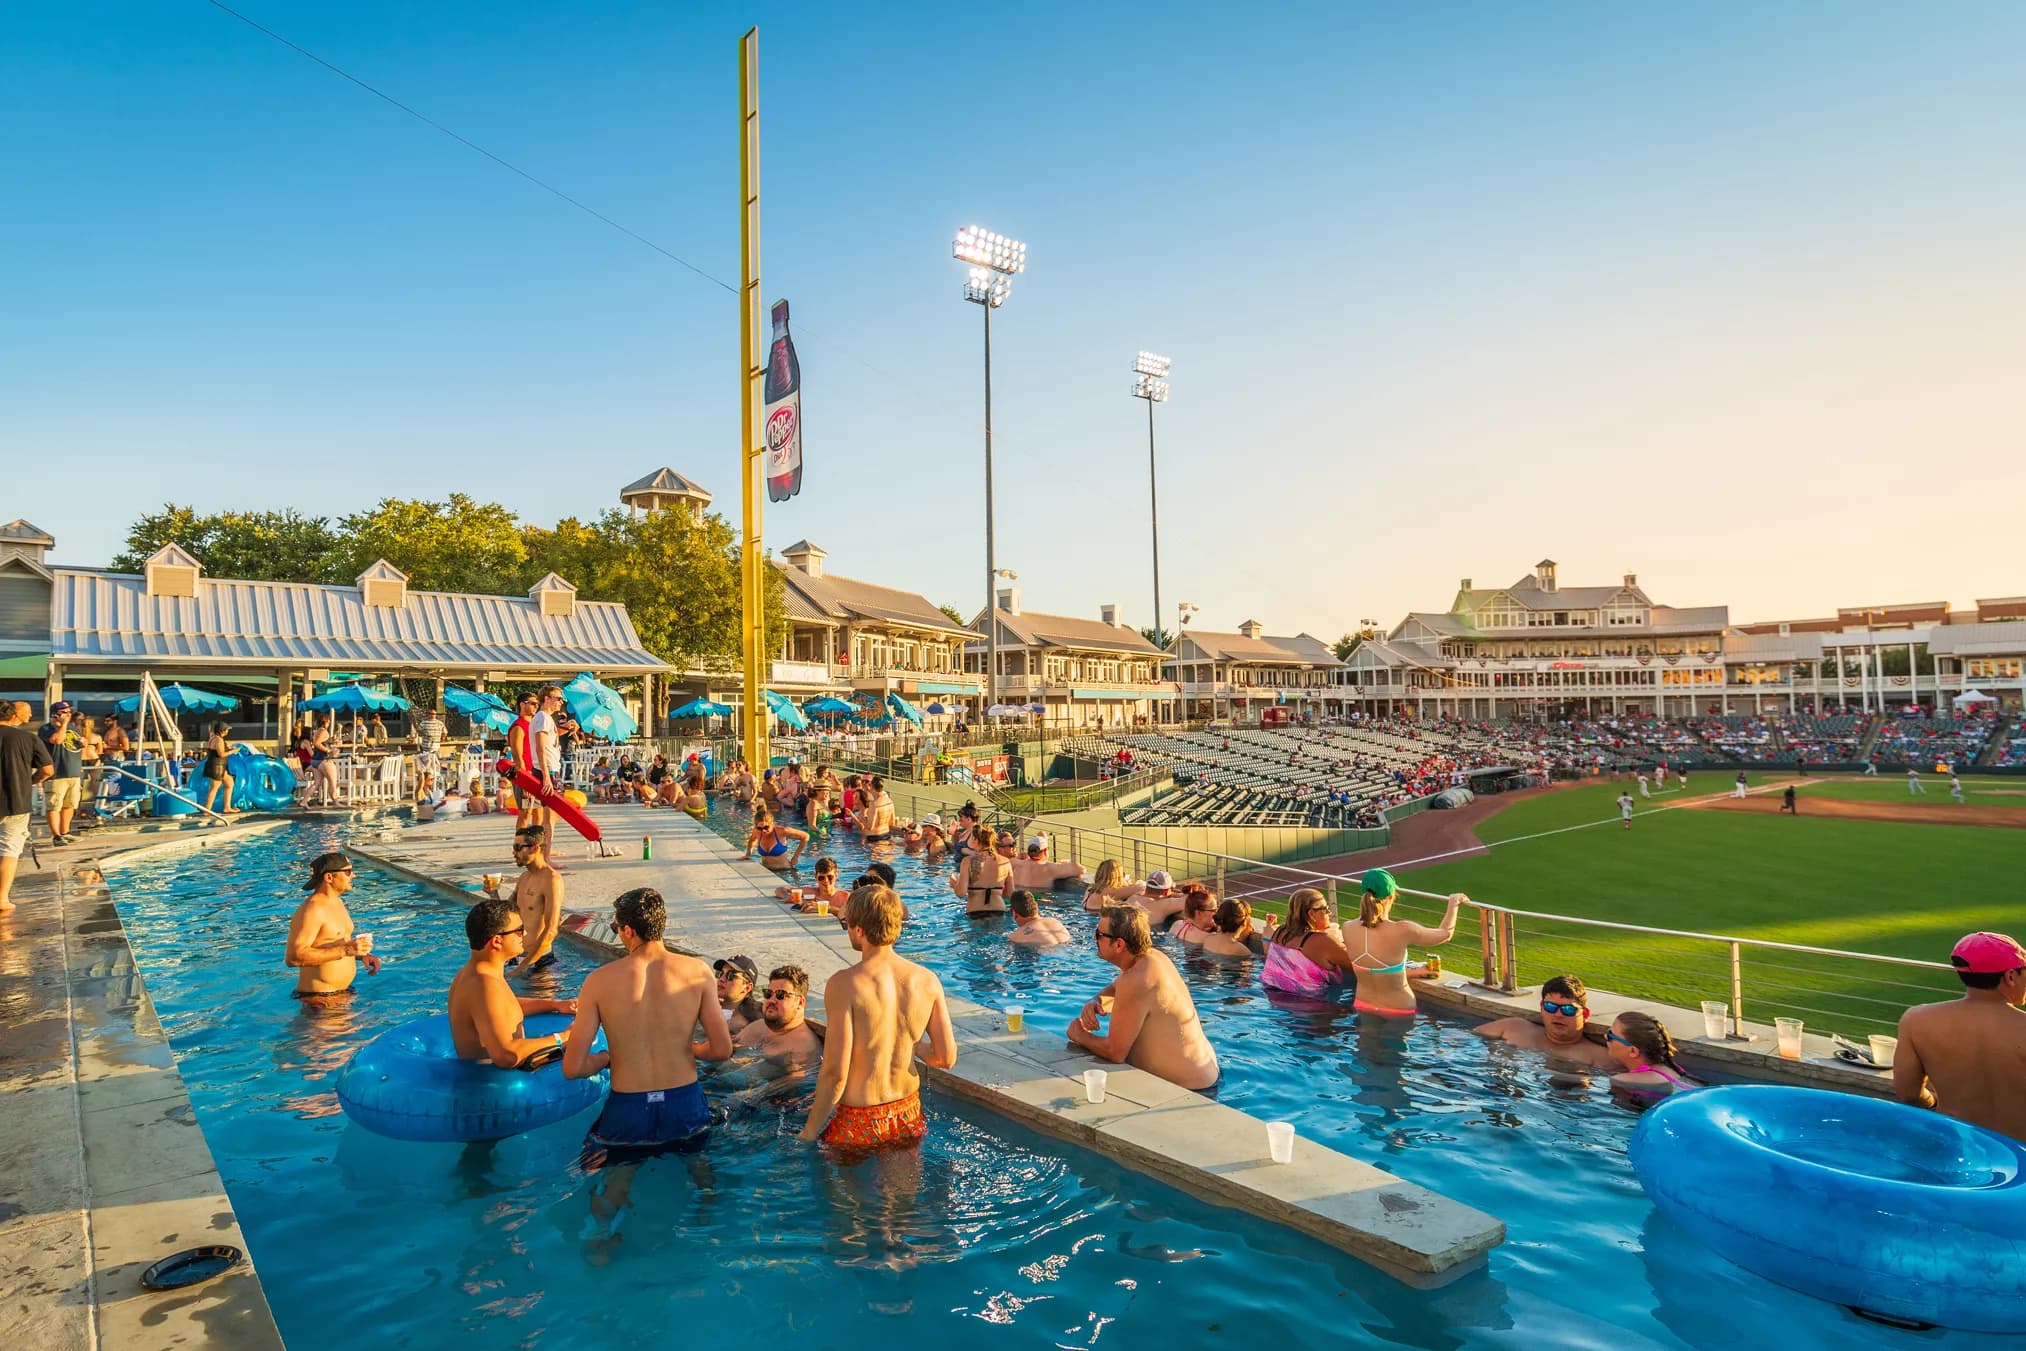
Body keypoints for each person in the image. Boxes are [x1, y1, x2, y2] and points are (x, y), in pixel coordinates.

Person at [565, 887, 733, 1156]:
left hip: (628, 1107)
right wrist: (688, 1049)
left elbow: (573, 1068)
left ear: (629, 930)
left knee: (614, 1185)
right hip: (684, 1102)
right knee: (701, 1177)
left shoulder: (598, 981)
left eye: (615, 927)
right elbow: (721, 1050)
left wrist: (606, 1058)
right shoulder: (698, 972)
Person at [801, 883, 958, 1150]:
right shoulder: (927, 980)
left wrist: (808, 1132)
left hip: (860, 1118)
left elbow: (836, 1074)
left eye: (846, 924)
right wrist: (908, 1041)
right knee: (901, 1192)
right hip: (907, 1111)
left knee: (845, 1191)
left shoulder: (845, 984)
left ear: (859, 930)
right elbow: (945, 1058)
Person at [1068, 905, 1220, 1091]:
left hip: (1190, 1090)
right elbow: (1114, 990)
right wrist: (1095, 1002)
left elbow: (1115, 1052)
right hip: (1204, 1074)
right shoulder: (1153, 958)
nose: (1095, 939)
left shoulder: (1137, 979)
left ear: (1119, 945)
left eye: (1099, 934)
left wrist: (1080, 1035)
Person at [1893, 931, 2026, 1143]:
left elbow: (1909, 1094)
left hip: (1956, 1146)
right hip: (2018, 1158)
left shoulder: (1916, 1020)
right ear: (2010, 976)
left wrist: (1933, 1102)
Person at [447, 898, 577, 1065]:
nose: (524, 934)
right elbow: (506, 1056)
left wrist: (554, 1004)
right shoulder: (484, 984)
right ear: (496, 941)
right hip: (493, 1085)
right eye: (519, 930)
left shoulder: (474, 972)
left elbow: (501, 1008)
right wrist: (564, 1038)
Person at [1340, 869, 1465, 1017]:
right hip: (1398, 1008)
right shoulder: (1402, 930)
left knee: (1366, 1040)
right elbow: (1445, 934)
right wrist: (1454, 903)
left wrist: (1418, 971)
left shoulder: (1347, 928)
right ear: (1392, 896)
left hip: (1364, 1004)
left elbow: (1375, 970)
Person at [284, 852, 380, 1001]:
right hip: (319, 1000)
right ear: (329, 877)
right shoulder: (313, 909)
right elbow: (293, 957)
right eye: (348, 872)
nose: (353, 876)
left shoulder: (337, 902)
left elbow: (332, 944)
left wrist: (360, 954)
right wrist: (347, 950)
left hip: (343, 994)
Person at [1471, 973, 1618, 1070]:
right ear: (1542, 1008)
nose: (1558, 1014)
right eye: (1550, 1007)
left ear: (1585, 1014)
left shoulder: (1600, 1057)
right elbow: (1464, 1040)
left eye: (1568, 1009)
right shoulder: (1513, 1028)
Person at [484, 826, 565, 975]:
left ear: (535, 848)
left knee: (540, 998)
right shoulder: (524, 877)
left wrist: (521, 969)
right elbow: (507, 914)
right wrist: (493, 893)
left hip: (540, 961)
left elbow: (551, 930)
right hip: (516, 958)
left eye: (518, 847)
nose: (514, 852)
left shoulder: (552, 880)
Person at [0, 700, 54, 915]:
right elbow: (47, 770)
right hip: (16, 801)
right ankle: (2, 898)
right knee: (9, 850)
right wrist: (30, 780)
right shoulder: (28, 739)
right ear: (13, 715)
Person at [1263, 887, 1362, 992]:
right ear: (1311, 914)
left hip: (1273, 997)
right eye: (1326, 909)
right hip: (1311, 1005)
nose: (1330, 913)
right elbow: (1359, 965)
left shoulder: (1280, 932)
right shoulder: (1322, 941)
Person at [735, 965, 823, 1066]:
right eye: (768, 993)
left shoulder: (802, 1049)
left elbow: (792, 1081)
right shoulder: (758, 1027)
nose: (771, 1000)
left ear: (800, 1002)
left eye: (781, 995)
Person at [1604, 1010, 1702, 1099]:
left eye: (1610, 1035)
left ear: (1633, 1051)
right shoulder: (1671, 1070)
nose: (1605, 1036)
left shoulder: (1622, 1081)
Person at [38, 701, 84, 843]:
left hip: (73, 772)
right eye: (65, 712)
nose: (68, 715)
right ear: (55, 714)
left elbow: (75, 746)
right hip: (56, 774)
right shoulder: (46, 728)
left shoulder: (73, 728)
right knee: (54, 805)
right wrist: (63, 725)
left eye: (69, 712)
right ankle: (56, 835)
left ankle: (65, 831)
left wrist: (83, 742)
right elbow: (56, 740)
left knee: (69, 805)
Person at [949, 831, 1013, 915]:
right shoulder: (1005, 861)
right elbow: (1010, 894)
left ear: (976, 841)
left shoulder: (967, 861)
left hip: (975, 909)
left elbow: (961, 893)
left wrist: (954, 885)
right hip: (998, 909)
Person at [741, 809, 808, 871]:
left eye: (766, 827)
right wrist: (748, 854)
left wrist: (796, 857)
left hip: (785, 872)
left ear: (772, 823)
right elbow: (752, 840)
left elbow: (805, 836)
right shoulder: (757, 831)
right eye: (760, 828)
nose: (763, 831)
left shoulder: (782, 831)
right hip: (766, 870)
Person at [1012, 835, 1085, 891]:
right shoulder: (1049, 868)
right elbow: (1081, 869)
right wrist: (1067, 862)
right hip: (1041, 900)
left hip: (1018, 898)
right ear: (1045, 851)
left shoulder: (1016, 863)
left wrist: (1020, 857)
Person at [195, 720, 238, 817]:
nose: (228, 732)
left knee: (229, 783)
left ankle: (227, 807)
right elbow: (221, 754)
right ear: (222, 730)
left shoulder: (212, 738)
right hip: (217, 766)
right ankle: (207, 810)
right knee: (214, 788)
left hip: (219, 766)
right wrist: (232, 751)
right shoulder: (219, 740)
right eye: (227, 730)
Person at [714, 954, 765, 1033]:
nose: (721, 979)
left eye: (730, 976)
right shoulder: (706, 1005)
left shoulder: (746, 1024)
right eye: (720, 974)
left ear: (747, 987)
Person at [1007, 890, 1072, 947]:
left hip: (1047, 954)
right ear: (1036, 906)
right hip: (1068, 946)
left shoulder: (1016, 936)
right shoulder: (1054, 921)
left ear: (1015, 913)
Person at [853, 774, 895, 842]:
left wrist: (863, 818)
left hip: (874, 838)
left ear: (872, 787)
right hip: (886, 835)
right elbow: (892, 822)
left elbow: (870, 827)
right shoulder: (889, 801)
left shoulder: (874, 804)